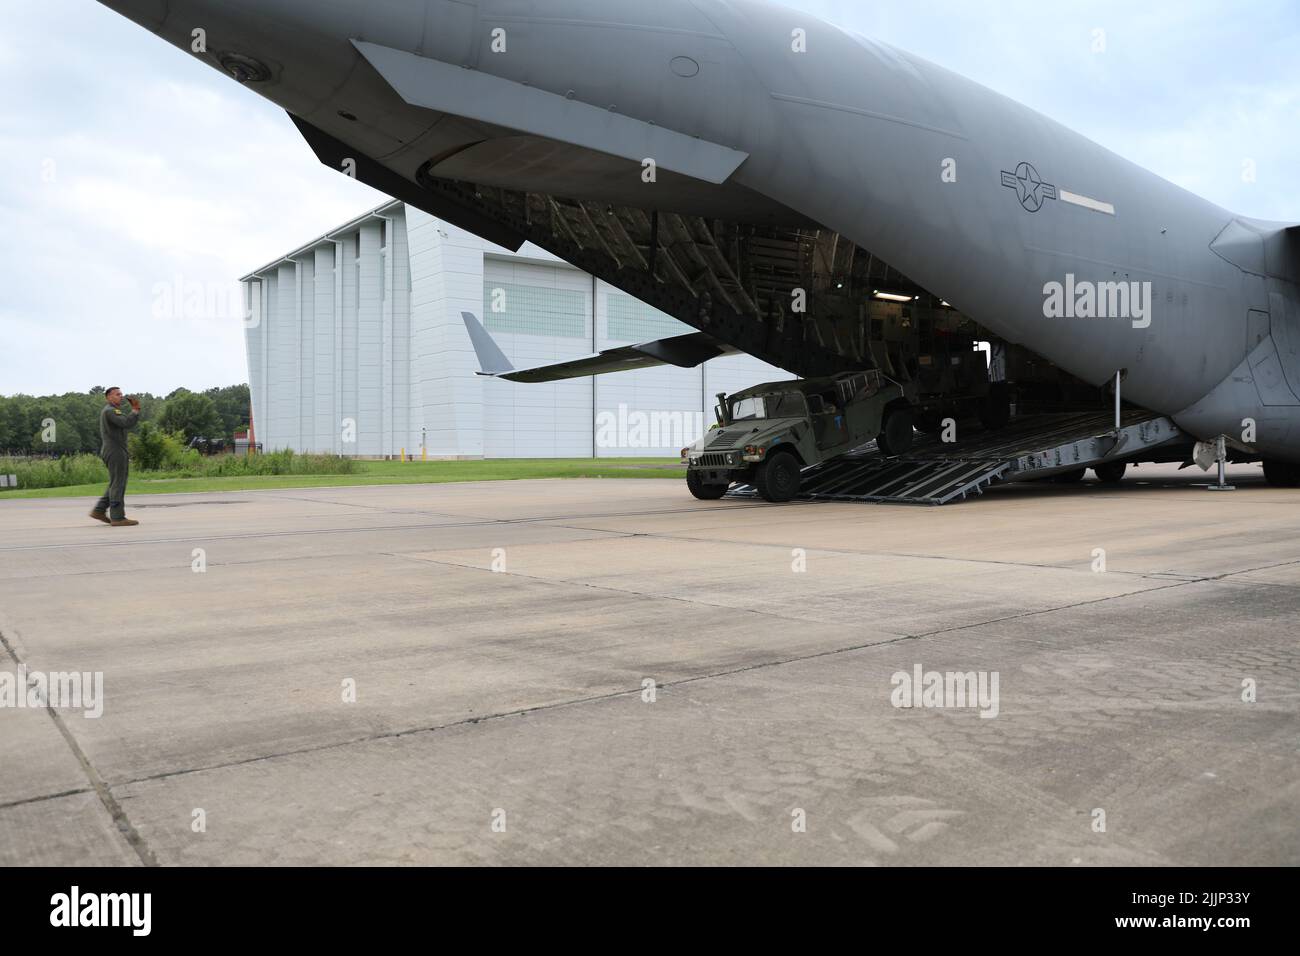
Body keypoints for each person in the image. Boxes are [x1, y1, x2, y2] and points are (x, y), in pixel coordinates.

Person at [90, 387, 141, 527]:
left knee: (115, 482)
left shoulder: (112, 411)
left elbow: (125, 423)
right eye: (117, 394)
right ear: (109, 397)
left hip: (115, 450)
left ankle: (99, 510)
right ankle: (118, 517)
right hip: (115, 450)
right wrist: (135, 411)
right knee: (118, 484)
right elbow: (126, 423)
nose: (121, 396)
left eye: (121, 394)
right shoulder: (110, 411)